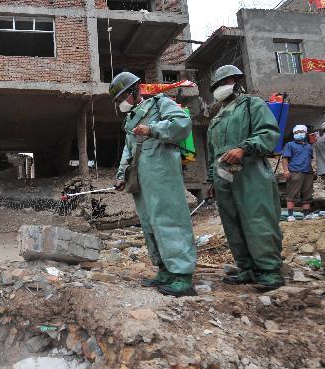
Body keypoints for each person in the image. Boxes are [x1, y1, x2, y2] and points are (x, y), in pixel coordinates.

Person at [110, 72, 197, 297]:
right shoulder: (130, 120)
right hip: (141, 177)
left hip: (163, 173)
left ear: (134, 91)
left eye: (122, 98)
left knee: (170, 219)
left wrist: (153, 129)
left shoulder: (160, 104)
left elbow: (182, 123)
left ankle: (182, 276)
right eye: (117, 101)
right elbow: (128, 150)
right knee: (149, 223)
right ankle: (165, 270)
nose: (120, 103)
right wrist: (121, 175)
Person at [206, 65, 283, 291]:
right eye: (217, 85)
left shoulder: (252, 104)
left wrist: (244, 148)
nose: (221, 88)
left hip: (250, 170)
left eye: (225, 83)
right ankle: (247, 268)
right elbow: (213, 153)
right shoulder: (216, 119)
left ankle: (269, 270)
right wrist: (211, 180)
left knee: (257, 217)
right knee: (233, 222)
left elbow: (268, 133)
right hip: (224, 176)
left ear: (235, 81)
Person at [282, 125, 314, 221]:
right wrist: (286, 171)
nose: (298, 133)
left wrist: (312, 172)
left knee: (307, 195)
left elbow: (309, 159)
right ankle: (290, 216)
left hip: (307, 172)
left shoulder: (309, 146)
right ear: (293, 134)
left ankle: (306, 215)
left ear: (305, 133)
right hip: (295, 172)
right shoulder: (289, 145)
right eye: (296, 132)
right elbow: (285, 159)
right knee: (292, 194)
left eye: (301, 131)